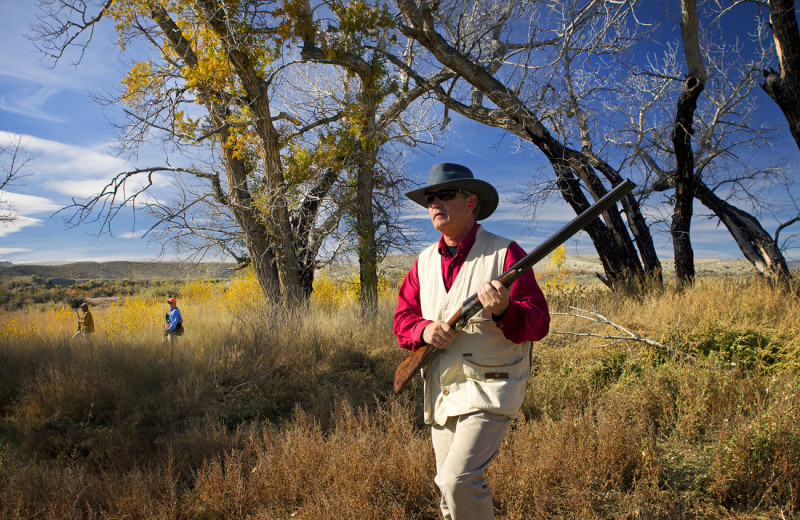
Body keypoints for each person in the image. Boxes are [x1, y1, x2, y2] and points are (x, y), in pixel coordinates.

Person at [393, 163, 550, 520]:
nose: (435, 203)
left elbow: (538, 323)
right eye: (430, 198)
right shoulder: (423, 263)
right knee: (447, 495)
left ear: (470, 202)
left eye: (445, 195)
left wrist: (505, 309)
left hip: (491, 388)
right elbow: (402, 321)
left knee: (457, 482)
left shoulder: (505, 253)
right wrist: (424, 331)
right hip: (443, 391)